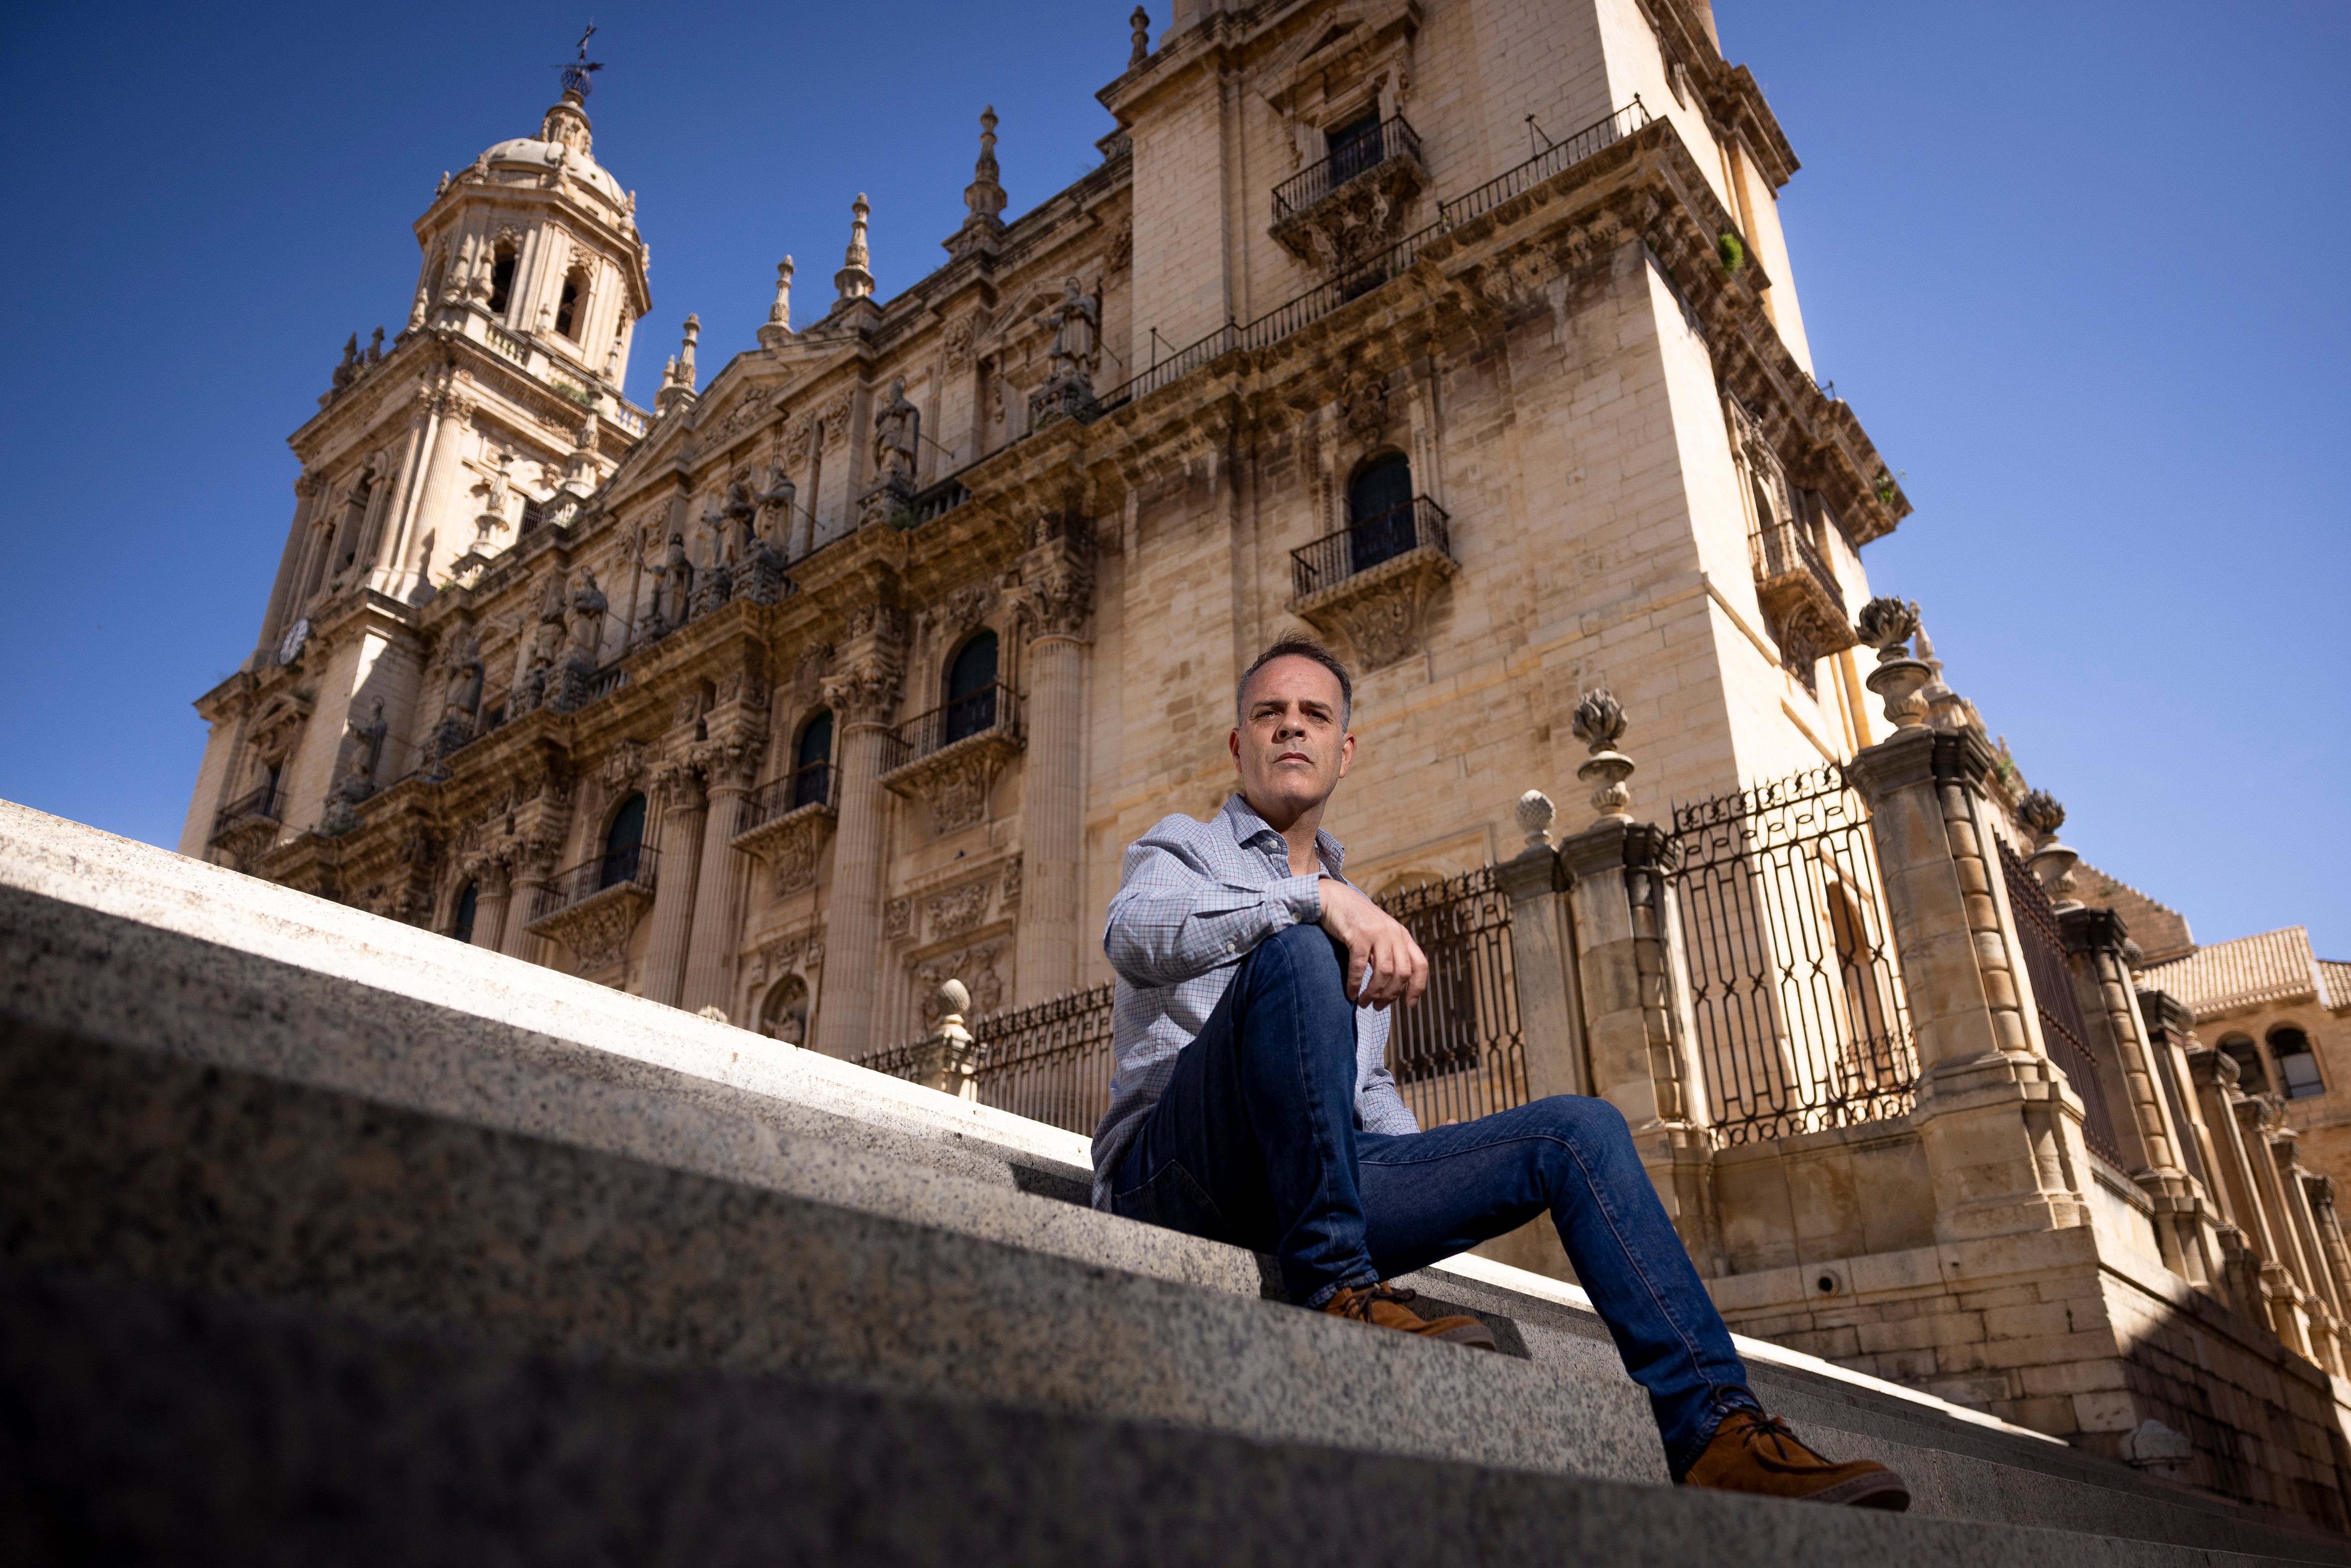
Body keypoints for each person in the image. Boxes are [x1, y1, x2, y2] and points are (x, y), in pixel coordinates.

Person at [1093, 635, 1910, 1510]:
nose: (1291, 730)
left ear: (1344, 749)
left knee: (1581, 1130)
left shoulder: (1355, 907)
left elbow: (1366, 1098)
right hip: (1175, 1179)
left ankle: (1716, 1427)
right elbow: (1134, 936)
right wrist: (1310, 900)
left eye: (1314, 716)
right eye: (1269, 715)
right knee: (1294, 948)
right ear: (1239, 744)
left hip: (1307, 1186)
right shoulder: (1185, 849)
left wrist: (1425, 1182)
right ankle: (1337, 1286)